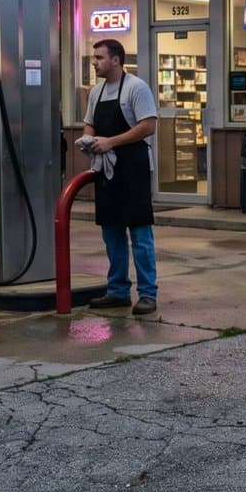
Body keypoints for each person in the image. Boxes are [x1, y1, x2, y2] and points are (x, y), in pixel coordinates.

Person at [80, 38, 159, 315]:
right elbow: (89, 122)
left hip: (133, 168)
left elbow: (148, 126)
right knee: (111, 233)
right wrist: (88, 140)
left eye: (99, 58)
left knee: (139, 233)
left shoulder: (136, 88)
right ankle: (117, 290)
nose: (94, 62)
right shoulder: (96, 91)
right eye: (94, 57)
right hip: (106, 170)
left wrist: (111, 142)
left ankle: (148, 294)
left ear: (116, 60)